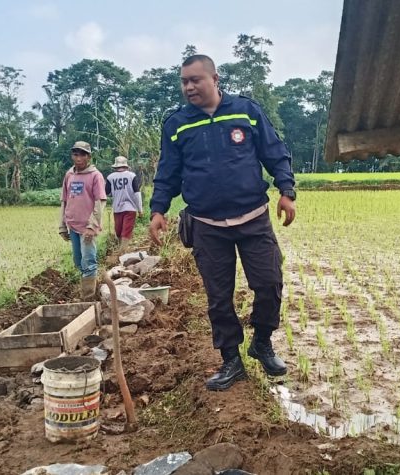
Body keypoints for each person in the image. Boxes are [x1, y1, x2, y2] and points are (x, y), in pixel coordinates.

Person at [149, 54, 297, 391]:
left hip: (253, 219)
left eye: (195, 80)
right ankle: (231, 361)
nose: (189, 87)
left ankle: (262, 341)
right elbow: (168, 173)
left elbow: (274, 151)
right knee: (219, 297)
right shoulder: (177, 124)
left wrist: (286, 190)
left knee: (270, 283)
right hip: (206, 224)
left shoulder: (246, 111)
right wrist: (158, 210)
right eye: (184, 81)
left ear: (215, 79)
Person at [58, 140, 107, 300]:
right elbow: (64, 201)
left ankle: (88, 298)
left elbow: (99, 202)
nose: (78, 158)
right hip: (72, 225)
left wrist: (92, 227)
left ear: (89, 157)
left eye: (82, 154)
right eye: (75, 154)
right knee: (78, 261)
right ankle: (89, 287)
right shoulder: (69, 175)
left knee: (89, 261)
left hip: (87, 227)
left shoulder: (95, 176)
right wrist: (62, 225)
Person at [104, 156, 143, 247]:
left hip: (117, 209)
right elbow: (137, 193)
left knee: (119, 231)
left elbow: (106, 192)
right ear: (126, 166)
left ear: (115, 167)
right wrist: (140, 210)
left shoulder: (110, 177)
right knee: (126, 231)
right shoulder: (132, 176)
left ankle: (121, 251)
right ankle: (123, 250)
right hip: (130, 208)